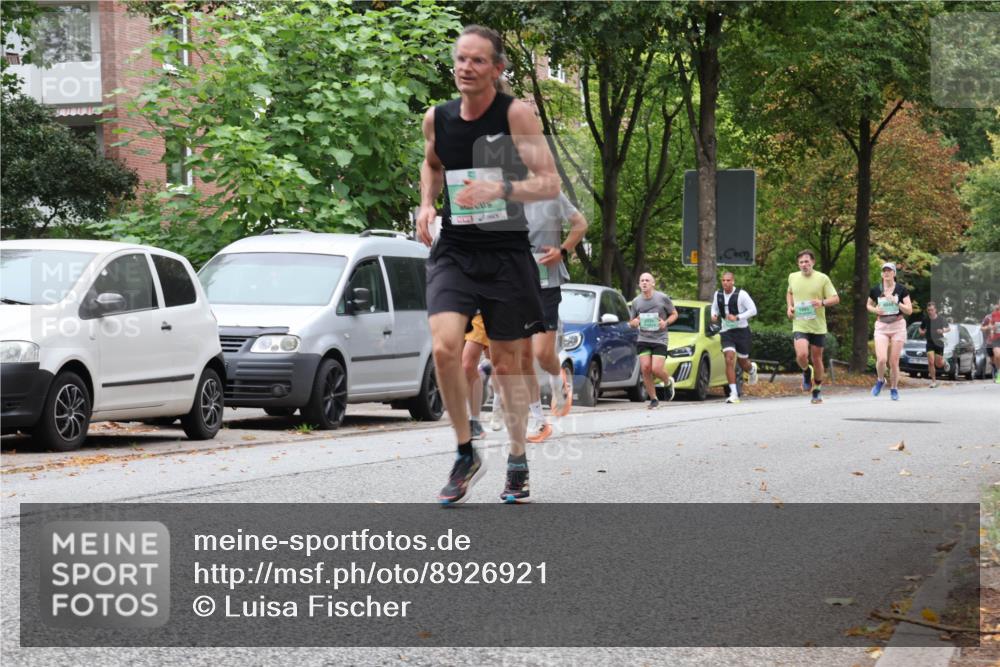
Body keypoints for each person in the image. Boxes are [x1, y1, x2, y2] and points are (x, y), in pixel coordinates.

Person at [416, 25, 560, 505]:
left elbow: (549, 183)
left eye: (478, 61)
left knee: (506, 363)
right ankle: (464, 451)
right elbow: (433, 165)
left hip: (505, 251)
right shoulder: (437, 118)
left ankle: (516, 456)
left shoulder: (516, 115)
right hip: (456, 248)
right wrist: (426, 204)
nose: (465, 68)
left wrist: (502, 189)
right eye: (460, 59)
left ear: (497, 69)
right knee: (445, 349)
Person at [519, 193, 588, 442]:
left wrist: (563, 250)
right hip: (517, 283)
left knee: (541, 353)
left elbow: (580, 224)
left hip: (547, 284)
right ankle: (539, 421)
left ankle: (559, 380)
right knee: (523, 356)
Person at [786, 250, 839, 404]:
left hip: (817, 326)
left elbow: (835, 298)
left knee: (817, 358)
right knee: (802, 355)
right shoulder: (793, 277)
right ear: (798, 264)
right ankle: (806, 370)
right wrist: (789, 307)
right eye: (801, 262)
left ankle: (817, 390)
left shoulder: (822, 278)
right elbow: (789, 293)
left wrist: (821, 302)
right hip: (800, 323)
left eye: (807, 261)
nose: (804, 264)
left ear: (813, 262)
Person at [628, 272, 678, 409]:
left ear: (653, 283)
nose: (644, 282)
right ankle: (654, 399)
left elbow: (674, 314)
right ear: (639, 284)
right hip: (643, 338)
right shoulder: (636, 301)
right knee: (645, 368)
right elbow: (631, 321)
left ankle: (668, 382)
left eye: (647, 280)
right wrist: (635, 322)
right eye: (642, 280)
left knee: (656, 369)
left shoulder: (662, 298)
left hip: (660, 338)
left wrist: (665, 323)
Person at [710, 271, 758, 404]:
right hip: (726, 331)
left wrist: (737, 317)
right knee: (729, 358)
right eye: (723, 280)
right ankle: (734, 393)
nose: (725, 283)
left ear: (733, 281)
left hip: (742, 331)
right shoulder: (718, 294)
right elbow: (714, 308)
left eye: (728, 280)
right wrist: (713, 315)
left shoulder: (742, 295)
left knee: (743, 362)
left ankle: (752, 369)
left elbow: (753, 310)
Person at [866, 262, 912, 400]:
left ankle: (894, 388)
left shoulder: (901, 289)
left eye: (889, 271)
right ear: (882, 274)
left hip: (897, 326)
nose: (886, 273)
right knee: (881, 359)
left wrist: (897, 302)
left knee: (893, 361)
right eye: (884, 271)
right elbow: (867, 305)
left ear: (894, 274)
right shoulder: (876, 290)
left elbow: (909, 310)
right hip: (881, 326)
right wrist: (875, 310)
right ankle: (881, 380)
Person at [461, 314, 491, 439]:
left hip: (482, 310)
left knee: (468, 365)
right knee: (464, 366)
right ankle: (483, 371)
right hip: (459, 309)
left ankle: (474, 422)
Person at [919, 301, 950, 388]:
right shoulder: (926, 319)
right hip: (929, 343)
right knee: (931, 362)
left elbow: (948, 328)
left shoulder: (941, 319)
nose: (930, 311)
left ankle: (944, 362)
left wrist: (943, 330)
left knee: (938, 364)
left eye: (932, 310)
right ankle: (933, 381)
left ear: (935, 310)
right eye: (928, 310)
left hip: (939, 342)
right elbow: (920, 329)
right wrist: (922, 332)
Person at [982, 301, 1000, 383]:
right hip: (991, 341)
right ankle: (996, 370)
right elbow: (982, 328)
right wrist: (990, 327)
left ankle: (997, 373)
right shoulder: (989, 317)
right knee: (994, 359)